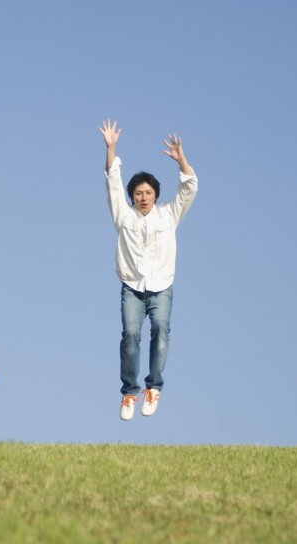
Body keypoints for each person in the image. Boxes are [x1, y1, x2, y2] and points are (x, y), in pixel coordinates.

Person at [98, 119, 198, 421]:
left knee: (161, 332)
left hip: (161, 287)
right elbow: (112, 182)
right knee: (130, 334)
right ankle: (129, 393)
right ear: (133, 197)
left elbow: (188, 188)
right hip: (132, 287)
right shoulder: (123, 217)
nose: (143, 197)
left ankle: (154, 388)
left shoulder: (169, 214)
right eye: (138, 193)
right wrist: (111, 148)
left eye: (148, 192)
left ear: (155, 195)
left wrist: (181, 160)